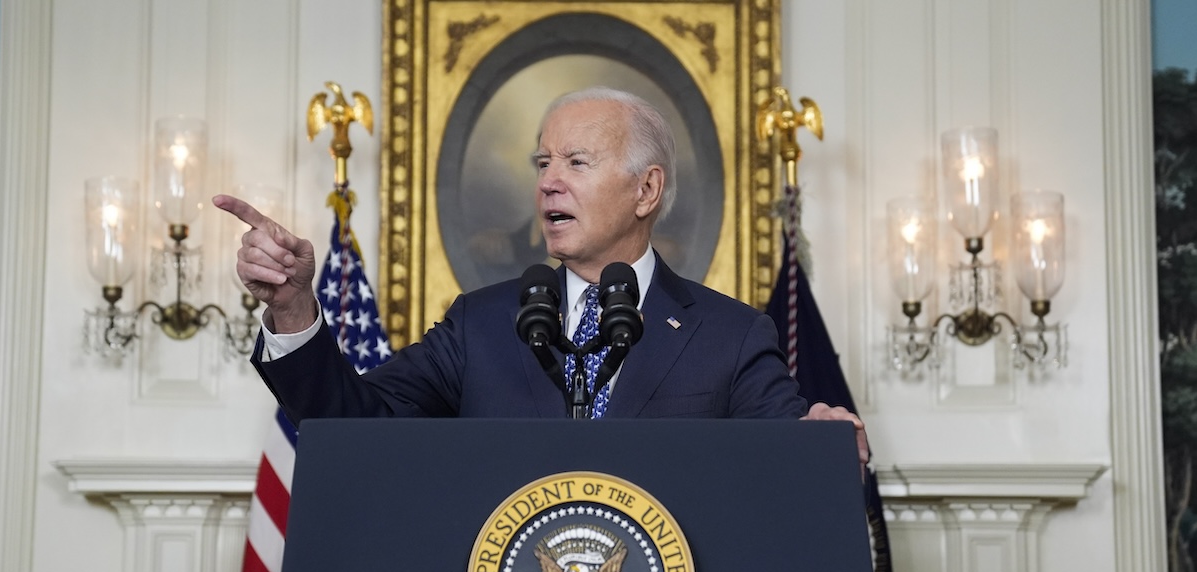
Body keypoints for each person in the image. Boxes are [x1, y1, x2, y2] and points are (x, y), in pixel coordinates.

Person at [216, 86, 869, 464]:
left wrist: (823, 445)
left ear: (646, 189)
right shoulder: (481, 325)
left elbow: (790, 459)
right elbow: (348, 422)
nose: (548, 180)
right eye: (541, 162)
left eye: (576, 161)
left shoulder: (730, 335)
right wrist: (296, 307)